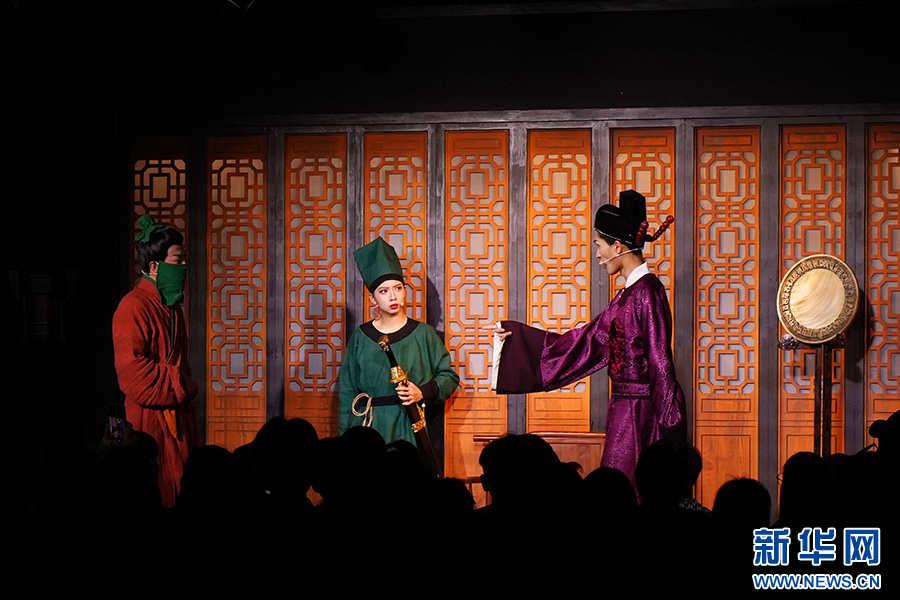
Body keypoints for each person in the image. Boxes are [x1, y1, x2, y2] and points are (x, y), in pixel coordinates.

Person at [485, 190, 686, 487]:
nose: (598, 255)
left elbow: (660, 363)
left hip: (641, 416)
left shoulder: (646, 292)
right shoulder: (628, 295)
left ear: (617, 246)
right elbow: (586, 342)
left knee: (628, 490)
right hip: (624, 410)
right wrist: (517, 339)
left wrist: (671, 428)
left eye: (599, 245)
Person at [338, 237, 459, 448]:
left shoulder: (423, 333)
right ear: (373, 299)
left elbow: (449, 377)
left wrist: (422, 392)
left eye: (398, 288)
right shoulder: (361, 336)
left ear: (404, 292)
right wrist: (345, 438)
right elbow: (347, 391)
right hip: (369, 426)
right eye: (383, 291)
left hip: (410, 422)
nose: (392, 296)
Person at [112, 215, 198, 507]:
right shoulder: (132, 306)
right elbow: (132, 373)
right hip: (148, 419)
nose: (183, 266)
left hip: (179, 414)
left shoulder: (172, 308)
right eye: (177, 260)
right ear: (154, 266)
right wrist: (181, 384)